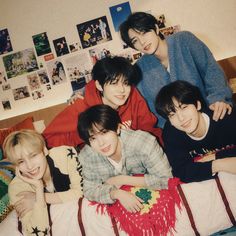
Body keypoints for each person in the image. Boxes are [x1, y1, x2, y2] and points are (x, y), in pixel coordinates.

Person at [120, 12, 233, 128]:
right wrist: (171, 128)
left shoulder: (184, 40)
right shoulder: (139, 69)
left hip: (212, 113)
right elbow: (152, 108)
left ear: (156, 28)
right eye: (135, 41)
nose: (142, 42)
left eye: (144, 33)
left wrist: (219, 98)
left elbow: (211, 70)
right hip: (179, 129)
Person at [43, 56, 162, 148]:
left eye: (126, 83)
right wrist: (88, 135)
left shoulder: (134, 98)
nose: (122, 90)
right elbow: (47, 139)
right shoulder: (81, 106)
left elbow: (149, 130)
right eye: (114, 83)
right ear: (99, 85)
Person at [78, 104, 172, 213]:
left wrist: (122, 180)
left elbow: (167, 179)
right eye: (93, 138)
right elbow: (89, 190)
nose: (101, 143)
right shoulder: (87, 156)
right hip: (118, 204)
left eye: (104, 132)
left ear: (118, 128)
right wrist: (116, 194)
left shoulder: (143, 142)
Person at [3, 129, 82, 236]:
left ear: (44, 150)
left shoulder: (66, 154)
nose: (30, 166)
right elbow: (37, 233)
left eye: (33, 155)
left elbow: (83, 192)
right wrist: (39, 189)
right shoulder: (16, 188)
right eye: (21, 161)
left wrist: (40, 198)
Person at [155, 80, 236, 183]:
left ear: (198, 105)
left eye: (184, 107)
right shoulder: (171, 134)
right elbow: (181, 171)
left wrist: (215, 156)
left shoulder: (224, 116)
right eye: (172, 114)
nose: (181, 118)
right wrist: (217, 164)